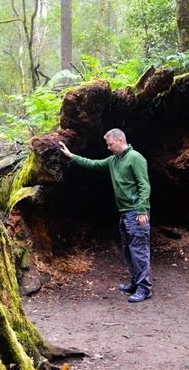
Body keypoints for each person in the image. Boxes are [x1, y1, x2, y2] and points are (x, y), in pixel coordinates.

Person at [59, 129, 153, 303]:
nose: (108, 148)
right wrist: (71, 155)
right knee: (128, 249)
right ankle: (135, 282)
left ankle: (144, 288)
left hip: (136, 212)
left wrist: (141, 210)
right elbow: (93, 164)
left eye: (110, 144)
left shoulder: (136, 158)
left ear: (120, 140)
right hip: (125, 213)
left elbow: (144, 185)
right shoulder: (113, 161)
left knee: (139, 250)